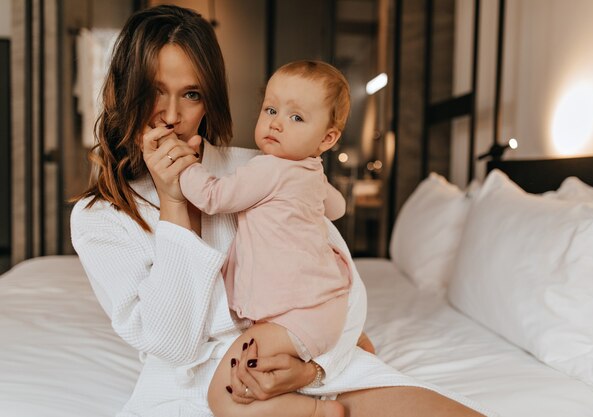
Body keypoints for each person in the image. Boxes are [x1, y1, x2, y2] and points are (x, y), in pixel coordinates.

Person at [70, 4, 491, 417]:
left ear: (209, 100)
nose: (173, 116)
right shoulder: (98, 219)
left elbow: (337, 285)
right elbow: (174, 344)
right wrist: (175, 202)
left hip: (304, 371)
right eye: (155, 91)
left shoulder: (259, 169)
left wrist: (311, 367)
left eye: (192, 95)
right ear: (125, 92)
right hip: (199, 392)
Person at [180, 60, 354, 417]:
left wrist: (185, 167)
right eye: (271, 109)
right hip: (326, 309)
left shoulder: (268, 168)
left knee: (223, 397)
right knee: (255, 379)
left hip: (293, 318)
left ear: (327, 138)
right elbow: (336, 208)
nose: (276, 122)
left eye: (296, 118)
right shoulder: (312, 172)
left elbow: (213, 197)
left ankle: (320, 413)